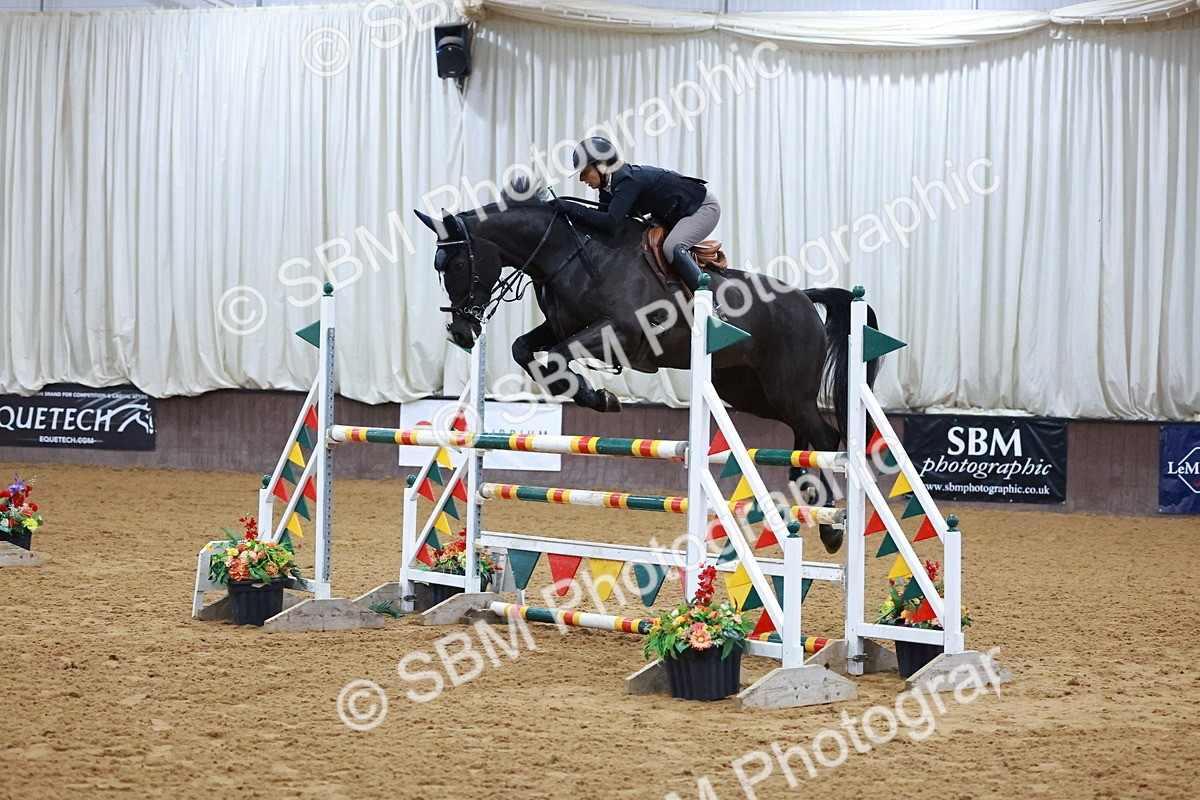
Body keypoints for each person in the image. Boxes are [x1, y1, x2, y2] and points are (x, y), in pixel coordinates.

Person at [554, 137, 721, 291]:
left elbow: (611, 221)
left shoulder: (627, 181)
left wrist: (571, 208)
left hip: (703, 208)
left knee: (672, 246)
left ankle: (707, 300)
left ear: (602, 164)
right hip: (675, 214)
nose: (582, 179)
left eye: (584, 172)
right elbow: (601, 226)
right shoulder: (608, 189)